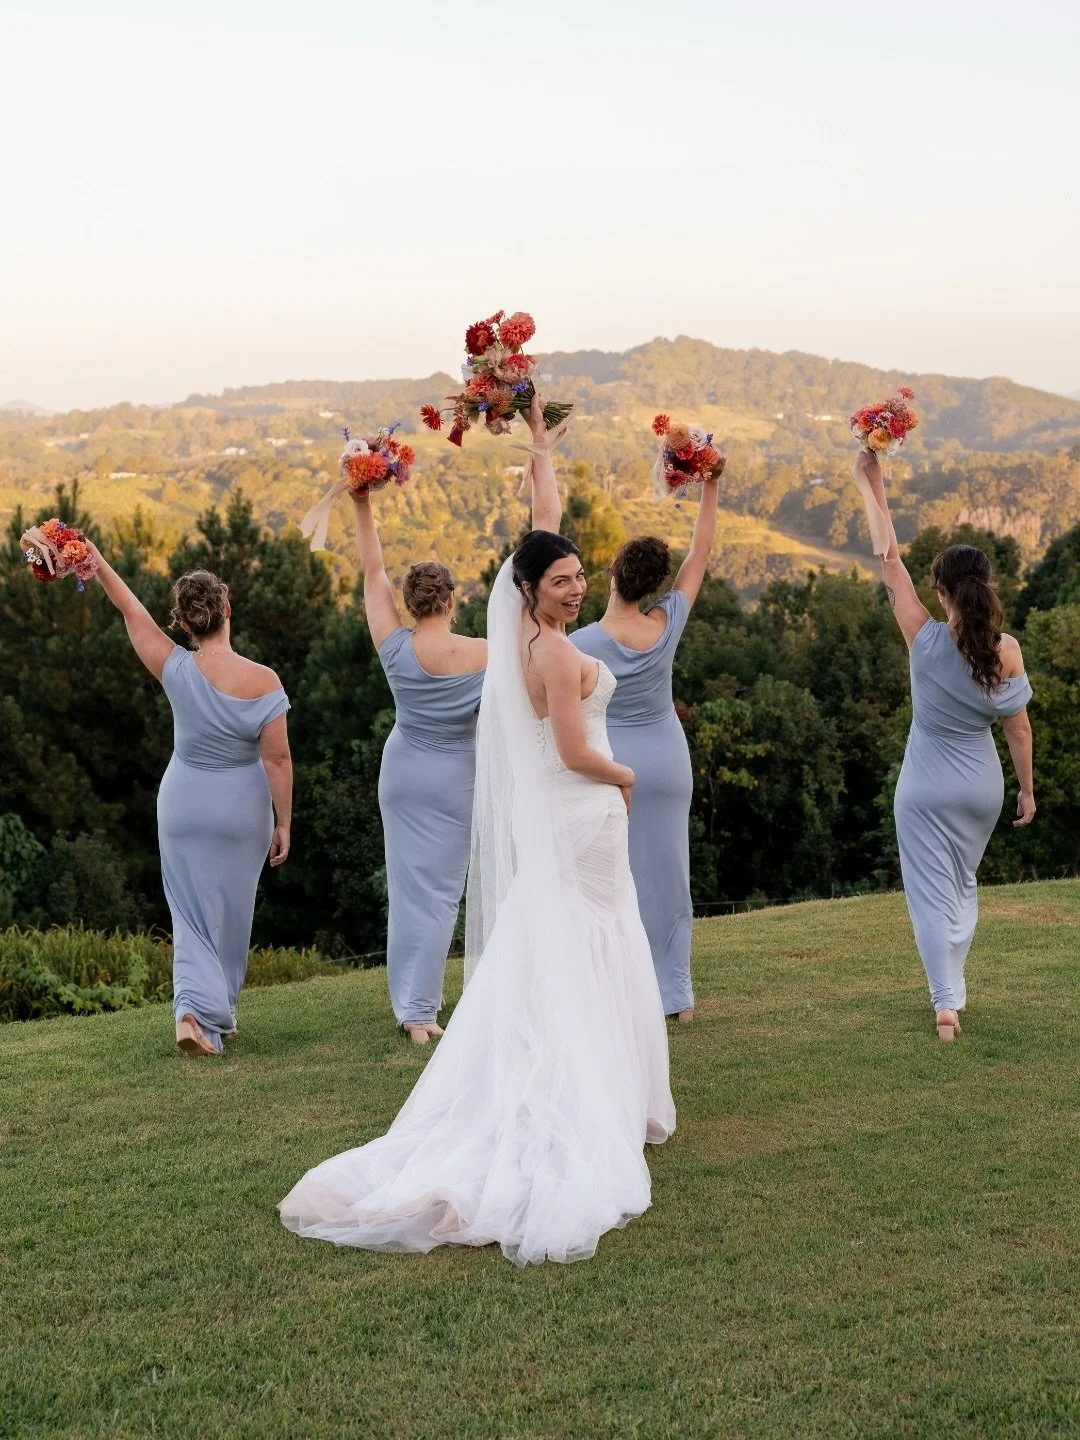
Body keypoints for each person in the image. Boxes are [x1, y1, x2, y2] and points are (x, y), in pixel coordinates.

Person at [279, 529, 675, 1266]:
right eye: (560, 580)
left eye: (580, 575)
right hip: (585, 811)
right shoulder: (551, 654)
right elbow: (572, 750)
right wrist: (626, 779)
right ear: (527, 591)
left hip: (564, 819)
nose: (576, 587)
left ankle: (592, 1084)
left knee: (559, 946)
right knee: (594, 944)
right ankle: (585, 1099)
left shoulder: (522, 650)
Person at [354, 394, 561, 1044]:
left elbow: (372, 571)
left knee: (409, 892)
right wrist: (540, 443)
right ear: (451, 599)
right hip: (453, 779)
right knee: (443, 892)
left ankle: (411, 1006)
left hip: (402, 772)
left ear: (418, 603)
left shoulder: (394, 646)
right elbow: (545, 535)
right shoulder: (487, 655)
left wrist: (361, 498)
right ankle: (420, 1017)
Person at [853, 451, 1035, 1042]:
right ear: (987, 584)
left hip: (925, 787)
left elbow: (888, 557)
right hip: (981, 786)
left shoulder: (922, 635)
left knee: (929, 895)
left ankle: (945, 1003)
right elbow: (1019, 730)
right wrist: (1027, 791)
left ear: (939, 588)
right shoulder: (1005, 650)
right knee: (961, 885)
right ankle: (952, 987)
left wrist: (868, 480)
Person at [91, 553, 291, 1056]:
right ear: (227, 607)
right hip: (239, 810)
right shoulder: (264, 681)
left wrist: (94, 563)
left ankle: (203, 1012)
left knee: (188, 913)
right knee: (230, 911)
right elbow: (279, 761)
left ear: (181, 622)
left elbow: (131, 610)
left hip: (181, 803)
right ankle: (199, 1012)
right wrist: (283, 822)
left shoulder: (174, 665)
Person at [571, 473, 720, 1020]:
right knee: (669, 873)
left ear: (613, 574)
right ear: (656, 584)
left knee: (615, 877)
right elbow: (701, 551)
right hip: (668, 761)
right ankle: (675, 993)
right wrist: (710, 487)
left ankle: (619, 989)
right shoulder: (667, 622)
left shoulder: (580, 644)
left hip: (614, 768)